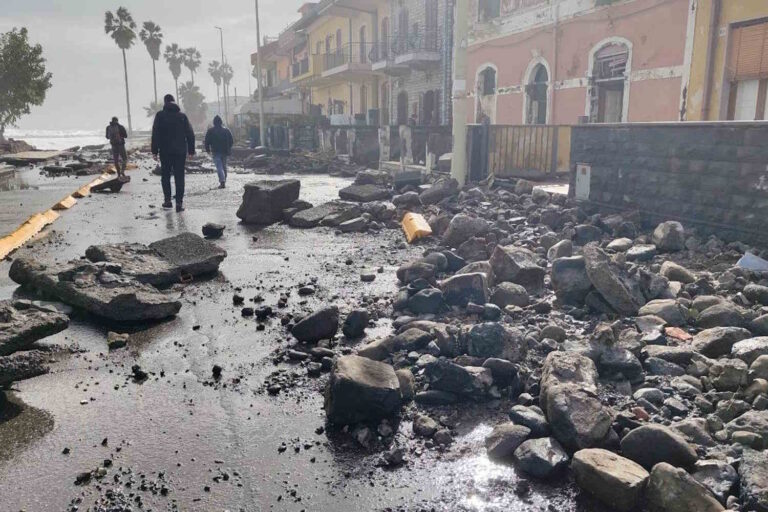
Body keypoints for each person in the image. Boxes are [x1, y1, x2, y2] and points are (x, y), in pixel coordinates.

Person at [151, 94, 195, 212]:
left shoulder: (160, 116)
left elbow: (155, 134)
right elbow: (190, 133)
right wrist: (191, 150)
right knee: (179, 177)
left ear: (165, 103)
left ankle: (168, 201)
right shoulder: (182, 116)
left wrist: (154, 151)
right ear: (174, 102)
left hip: (165, 151)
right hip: (180, 151)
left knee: (165, 176)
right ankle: (179, 203)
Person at [204, 115, 234, 189]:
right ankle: (224, 180)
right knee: (224, 166)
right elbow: (231, 141)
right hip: (225, 151)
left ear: (214, 122)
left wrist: (207, 150)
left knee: (219, 167)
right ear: (221, 122)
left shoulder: (210, 131)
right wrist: (228, 148)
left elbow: (207, 141)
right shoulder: (226, 130)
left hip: (215, 151)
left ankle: (222, 181)